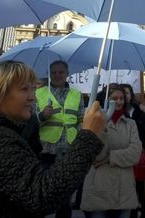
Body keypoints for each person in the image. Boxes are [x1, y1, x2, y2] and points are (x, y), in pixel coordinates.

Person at [0, 61, 106, 218]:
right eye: (24, 89)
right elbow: (42, 195)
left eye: (32, 89)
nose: (32, 97)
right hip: (49, 150)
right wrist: (88, 135)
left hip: (65, 147)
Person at [81, 85, 142, 217]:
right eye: (114, 98)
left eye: (121, 98)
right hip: (99, 188)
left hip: (124, 188)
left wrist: (110, 158)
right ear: (105, 100)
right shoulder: (90, 123)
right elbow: (96, 156)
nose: (119, 102)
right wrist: (101, 126)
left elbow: (135, 153)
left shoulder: (131, 124)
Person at [36, 60, 85, 217]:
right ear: (49, 74)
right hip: (46, 150)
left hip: (68, 150)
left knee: (64, 196)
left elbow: (80, 120)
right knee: (43, 194)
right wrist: (42, 116)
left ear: (67, 74)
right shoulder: (39, 93)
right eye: (54, 72)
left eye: (61, 72)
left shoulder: (76, 94)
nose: (57, 75)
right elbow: (29, 120)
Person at [121, 83, 145, 218]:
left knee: (142, 191)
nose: (124, 96)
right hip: (124, 159)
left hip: (140, 158)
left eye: (127, 93)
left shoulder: (141, 113)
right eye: (122, 94)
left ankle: (144, 213)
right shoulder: (115, 114)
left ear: (131, 95)